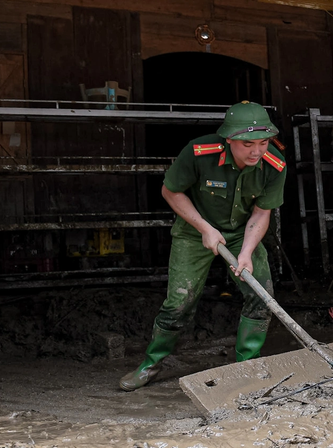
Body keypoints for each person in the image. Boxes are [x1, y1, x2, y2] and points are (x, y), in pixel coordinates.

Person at [120, 101, 286, 391]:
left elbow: (261, 212)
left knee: (261, 295)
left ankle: (248, 366)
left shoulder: (273, 164)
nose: (257, 151)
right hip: (194, 231)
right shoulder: (199, 153)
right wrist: (205, 229)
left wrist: (246, 252)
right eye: (248, 144)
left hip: (241, 233)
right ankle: (151, 363)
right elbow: (170, 191)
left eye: (263, 142)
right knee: (180, 302)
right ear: (229, 139)